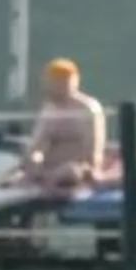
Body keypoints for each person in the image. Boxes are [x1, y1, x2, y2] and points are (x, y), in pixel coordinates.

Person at [22, 58, 104, 199]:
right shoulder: (49, 109)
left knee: (69, 171)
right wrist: (32, 160)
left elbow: (91, 154)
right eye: (51, 81)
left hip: (76, 170)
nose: (53, 86)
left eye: (59, 81)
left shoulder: (88, 109)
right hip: (47, 168)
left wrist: (70, 168)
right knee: (16, 170)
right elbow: (37, 146)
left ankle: (45, 192)